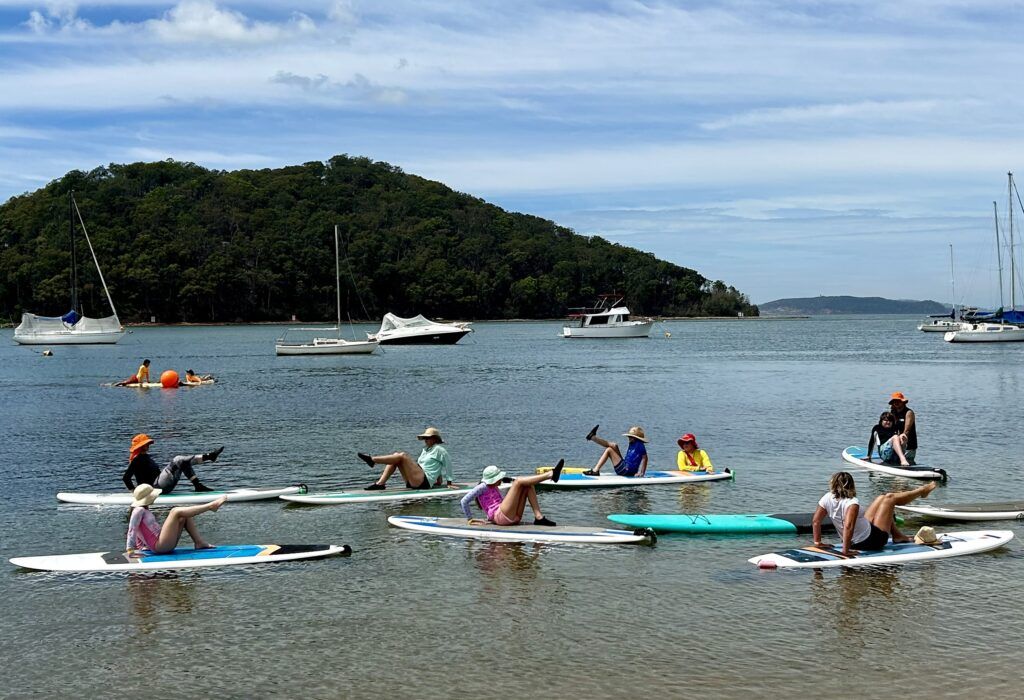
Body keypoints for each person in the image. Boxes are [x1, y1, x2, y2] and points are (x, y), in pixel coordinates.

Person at [812, 471, 937, 555]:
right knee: (890, 498)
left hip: (862, 536)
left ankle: (898, 536)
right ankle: (921, 491)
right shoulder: (852, 503)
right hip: (870, 541)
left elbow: (816, 521)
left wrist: (817, 542)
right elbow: (848, 526)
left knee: (882, 498)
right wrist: (846, 551)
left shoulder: (826, 497)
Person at [125, 483, 226, 555]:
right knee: (175, 511)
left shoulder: (143, 510)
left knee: (184, 515)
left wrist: (142, 547)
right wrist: (130, 549)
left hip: (162, 544)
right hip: (159, 546)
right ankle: (211, 506)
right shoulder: (138, 510)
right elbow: (132, 529)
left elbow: (141, 531)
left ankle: (199, 542)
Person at [460, 461, 563, 526]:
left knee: (528, 485)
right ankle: (550, 474)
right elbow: (464, 501)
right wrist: (470, 519)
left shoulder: (494, 485)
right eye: (498, 478)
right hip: (500, 517)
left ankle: (539, 518)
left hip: (513, 517)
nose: (500, 480)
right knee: (518, 481)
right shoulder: (482, 487)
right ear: (492, 479)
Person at [122, 433, 224, 494]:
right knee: (178, 459)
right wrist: (135, 493)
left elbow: (156, 474)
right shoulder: (137, 460)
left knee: (183, 462)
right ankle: (209, 456)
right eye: (146, 444)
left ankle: (198, 486)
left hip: (160, 486)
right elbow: (126, 478)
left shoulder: (147, 457)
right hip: (154, 489)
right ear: (141, 446)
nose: (148, 445)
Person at [359, 427, 454, 491]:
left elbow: (447, 464)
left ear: (435, 439)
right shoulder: (426, 450)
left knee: (402, 455)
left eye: (427, 438)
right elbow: (433, 466)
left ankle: (372, 460)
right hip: (415, 481)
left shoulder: (440, 450)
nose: (425, 440)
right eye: (425, 438)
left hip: (424, 483)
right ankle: (380, 484)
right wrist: (438, 480)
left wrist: (449, 483)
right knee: (396, 456)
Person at [582, 424, 648, 477]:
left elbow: (645, 458)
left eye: (631, 437)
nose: (629, 438)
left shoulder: (640, 445)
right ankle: (593, 437)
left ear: (636, 438)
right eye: (629, 436)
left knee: (609, 450)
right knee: (614, 445)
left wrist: (642, 473)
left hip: (627, 471)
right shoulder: (632, 443)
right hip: (625, 467)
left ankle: (595, 471)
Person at [887, 391, 918, 465]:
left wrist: (901, 443)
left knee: (908, 464)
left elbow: (906, 431)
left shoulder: (909, 412)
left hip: (909, 445)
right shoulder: (893, 412)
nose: (896, 403)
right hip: (897, 444)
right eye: (894, 401)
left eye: (898, 401)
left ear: (903, 402)